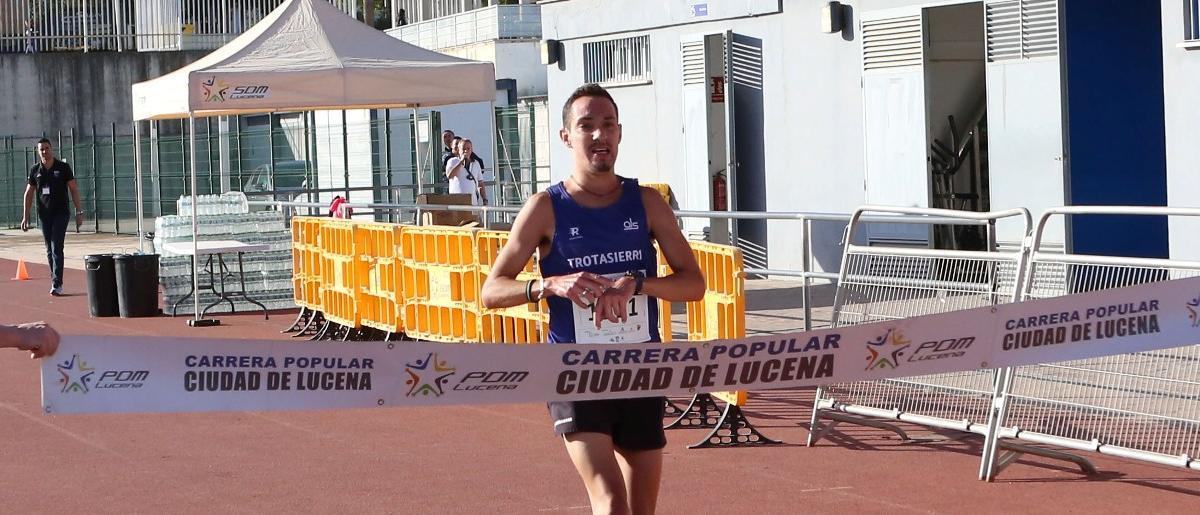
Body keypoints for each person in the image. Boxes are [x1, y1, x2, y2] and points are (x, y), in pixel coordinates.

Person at [481, 84, 704, 514]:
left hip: (641, 369)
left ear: (619, 133)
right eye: (587, 126)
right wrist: (546, 285)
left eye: (607, 125)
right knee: (611, 502)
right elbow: (491, 290)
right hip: (575, 372)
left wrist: (637, 284)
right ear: (566, 136)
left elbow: (693, 284)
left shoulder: (647, 203)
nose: (599, 135)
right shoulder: (545, 207)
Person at [21, 138, 84, 296]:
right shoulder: (35, 170)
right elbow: (28, 193)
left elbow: (74, 189)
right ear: (38, 151)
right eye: (41, 149)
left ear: (51, 149)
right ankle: (54, 278)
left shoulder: (63, 168)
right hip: (44, 214)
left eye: (47, 148)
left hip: (61, 213)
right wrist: (25, 217)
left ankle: (57, 283)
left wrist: (79, 211)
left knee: (57, 246)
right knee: (49, 249)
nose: (44, 151)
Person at [445, 138, 489, 206]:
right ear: (458, 150)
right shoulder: (452, 161)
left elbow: (480, 184)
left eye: (468, 148)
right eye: (463, 149)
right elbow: (450, 175)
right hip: (457, 203)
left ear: (471, 150)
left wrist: (484, 199)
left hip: (472, 202)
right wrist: (461, 162)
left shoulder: (476, 163)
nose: (466, 151)